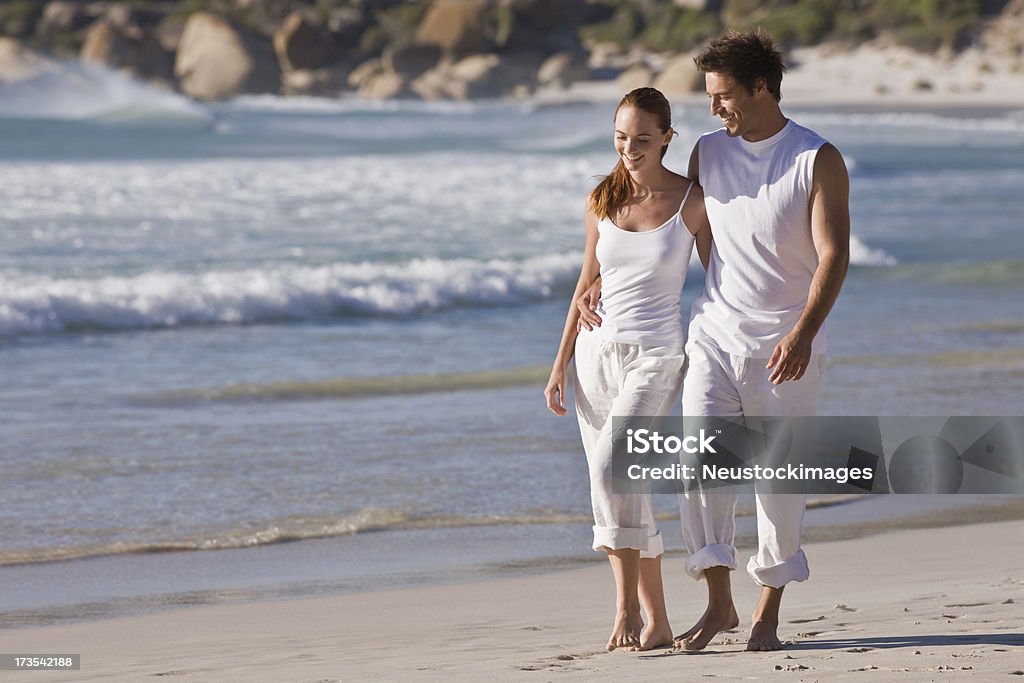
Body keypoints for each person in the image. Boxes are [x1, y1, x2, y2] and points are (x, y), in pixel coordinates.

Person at [578, 30, 850, 652]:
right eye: (709, 97)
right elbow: (672, 239)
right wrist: (599, 283)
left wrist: (804, 332)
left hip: (787, 345)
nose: (715, 109)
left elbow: (834, 255)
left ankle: (767, 611)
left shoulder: (816, 158)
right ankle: (720, 604)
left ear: (761, 89)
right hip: (714, 335)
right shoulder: (708, 152)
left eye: (724, 96)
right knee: (702, 473)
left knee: (778, 480)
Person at [544, 87, 711, 653]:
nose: (629, 149)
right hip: (595, 356)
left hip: (658, 355)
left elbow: (721, 280)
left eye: (642, 139)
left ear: (667, 136)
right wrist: (559, 362)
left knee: (613, 469)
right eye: (620, 138)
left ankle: (622, 609)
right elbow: (584, 281)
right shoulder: (601, 199)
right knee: (625, 486)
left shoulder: (693, 201)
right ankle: (658, 621)